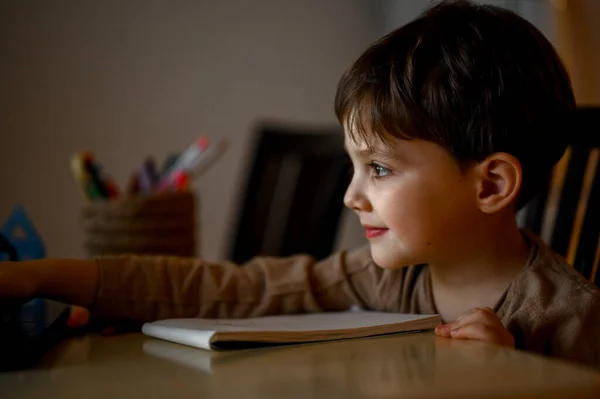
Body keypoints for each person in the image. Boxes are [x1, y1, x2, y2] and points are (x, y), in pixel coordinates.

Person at [1, 0, 598, 367]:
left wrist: (511, 383)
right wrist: (45, 277)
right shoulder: (385, 278)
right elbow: (231, 291)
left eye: (380, 169)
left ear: (490, 184)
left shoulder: (571, 321)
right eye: (353, 166)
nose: (350, 196)